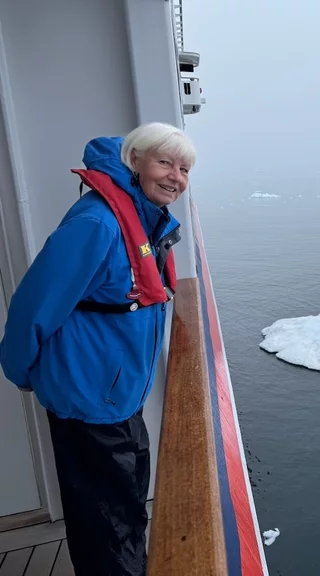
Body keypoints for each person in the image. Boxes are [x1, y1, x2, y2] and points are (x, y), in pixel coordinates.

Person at [0, 122, 196, 576]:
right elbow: (33, 308)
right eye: (165, 163)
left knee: (126, 506)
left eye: (184, 169)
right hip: (88, 399)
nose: (175, 177)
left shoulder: (141, 217)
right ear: (134, 161)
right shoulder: (97, 224)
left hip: (118, 395)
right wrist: (21, 371)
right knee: (105, 525)